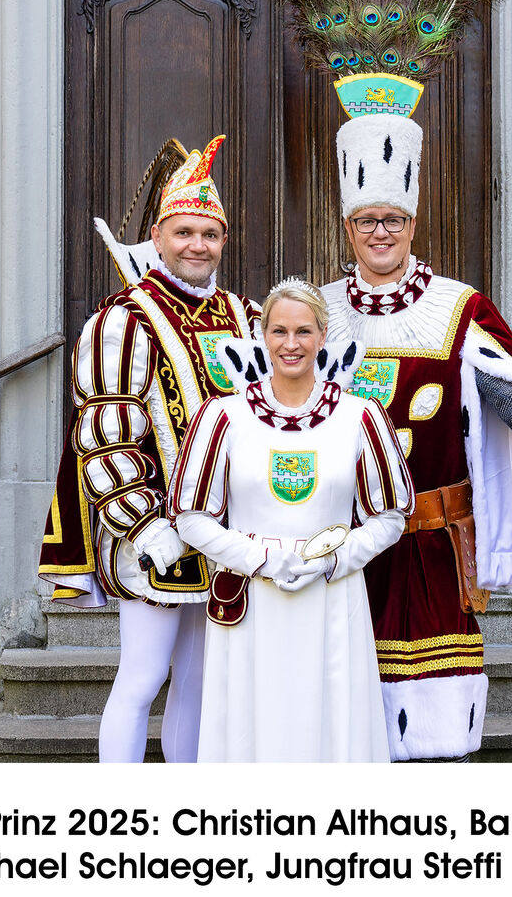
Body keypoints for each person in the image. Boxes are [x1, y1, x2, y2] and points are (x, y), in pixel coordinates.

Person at [319, 112, 512, 762]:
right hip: (340, 555)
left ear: (413, 223)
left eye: (393, 219)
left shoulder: (458, 308)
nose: (381, 232)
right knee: (342, 727)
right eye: (367, 220)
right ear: (347, 226)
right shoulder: (314, 313)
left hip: (432, 552)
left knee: (436, 736)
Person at [38, 135, 261, 762]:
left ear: (224, 241)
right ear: (158, 238)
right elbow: (103, 433)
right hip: (154, 530)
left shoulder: (245, 315)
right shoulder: (123, 318)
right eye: (183, 232)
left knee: (200, 682)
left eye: (210, 234)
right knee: (141, 678)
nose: (197, 245)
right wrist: (143, 526)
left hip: (226, 532)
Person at [168, 279, 413, 761]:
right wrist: (261, 559)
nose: (291, 343)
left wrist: (332, 560)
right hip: (252, 599)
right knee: (251, 727)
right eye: (279, 331)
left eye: (303, 331)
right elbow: (190, 517)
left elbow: (389, 517)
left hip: (332, 597)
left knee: (331, 726)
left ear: (322, 336)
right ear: (263, 336)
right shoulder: (224, 416)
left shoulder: (360, 415)